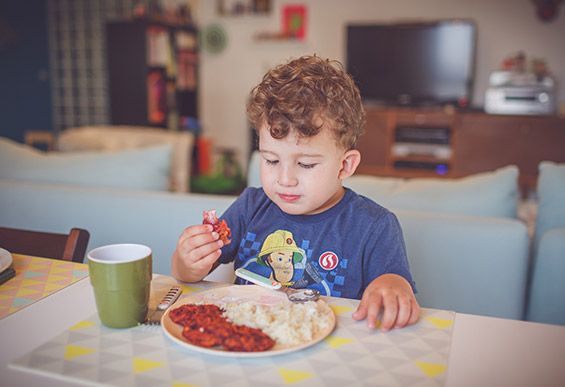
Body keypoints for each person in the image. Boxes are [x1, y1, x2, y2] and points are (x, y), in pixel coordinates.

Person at [172, 54, 420, 331]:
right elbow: (187, 274)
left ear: (345, 165)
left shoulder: (374, 226)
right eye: (271, 160)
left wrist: (392, 286)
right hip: (248, 343)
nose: (285, 179)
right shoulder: (251, 206)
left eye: (305, 164)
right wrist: (187, 261)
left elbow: (396, 285)